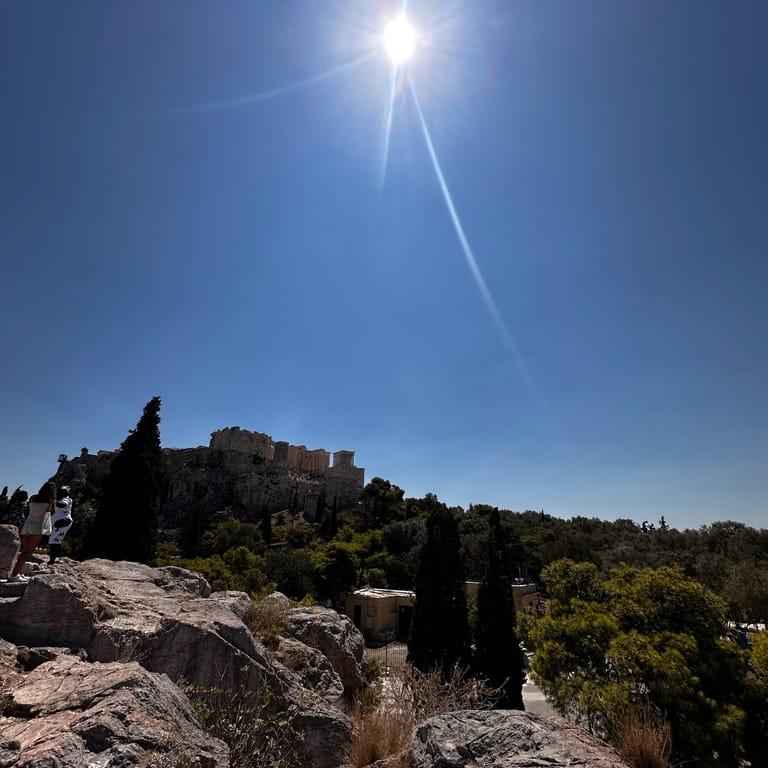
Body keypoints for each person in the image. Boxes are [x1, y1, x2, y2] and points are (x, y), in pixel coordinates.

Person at [9, 481, 55, 582]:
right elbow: (51, 513)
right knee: (27, 552)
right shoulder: (50, 501)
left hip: (28, 523)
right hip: (37, 526)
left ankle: (17, 572)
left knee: (23, 550)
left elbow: (29, 508)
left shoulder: (33, 497)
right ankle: (14, 575)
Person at [48, 485, 74, 565]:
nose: (61, 493)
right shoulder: (59, 500)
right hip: (59, 522)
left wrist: (53, 501)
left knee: (54, 541)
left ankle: (52, 560)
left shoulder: (67, 499)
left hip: (63, 521)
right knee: (55, 540)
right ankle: (53, 558)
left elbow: (63, 504)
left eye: (63, 491)